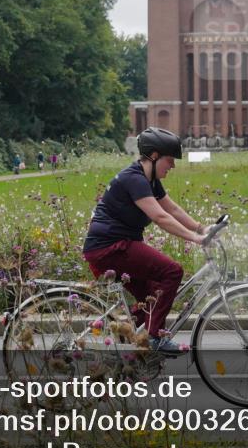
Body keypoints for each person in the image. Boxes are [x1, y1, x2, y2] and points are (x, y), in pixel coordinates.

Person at [82, 127, 206, 354]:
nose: (173, 165)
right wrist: (195, 239)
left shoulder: (150, 180)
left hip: (116, 246)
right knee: (172, 272)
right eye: (170, 159)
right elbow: (160, 217)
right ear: (155, 156)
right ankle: (154, 337)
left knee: (152, 295)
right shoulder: (135, 179)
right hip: (109, 248)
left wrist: (201, 228)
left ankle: (132, 340)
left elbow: (172, 209)